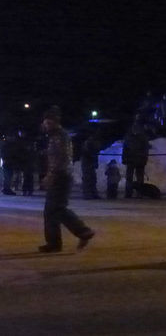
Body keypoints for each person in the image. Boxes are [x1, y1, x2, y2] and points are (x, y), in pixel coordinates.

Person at [39, 106, 95, 253]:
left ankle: (82, 231)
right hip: (61, 175)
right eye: (46, 122)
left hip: (60, 176)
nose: (46, 125)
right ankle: (55, 242)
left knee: (56, 208)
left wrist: (51, 175)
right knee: (52, 210)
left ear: (55, 122)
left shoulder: (59, 136)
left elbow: (61, 158)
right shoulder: (56, 136)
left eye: (49, 122)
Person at [122, 123, 150, 198]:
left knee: (136, 177)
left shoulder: (131, 138)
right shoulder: (141, 138)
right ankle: (133, 193)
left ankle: (136, 193)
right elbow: (125, 149)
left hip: (135, 159)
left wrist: (124, 158)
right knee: (134, 177)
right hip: (135, 160)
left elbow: (145, 150)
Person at [80, 133, 101, 199]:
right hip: (88, 161)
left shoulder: (92, 142)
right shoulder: (88, 143)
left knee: (92, 178)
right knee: (88, 178)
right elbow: (88, 152)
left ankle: (92, 193)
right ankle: (88, 193)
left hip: (89, 162)